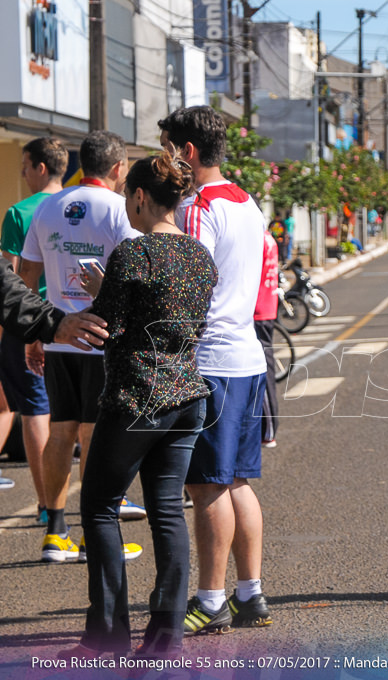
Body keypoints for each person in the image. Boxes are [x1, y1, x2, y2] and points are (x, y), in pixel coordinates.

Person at [59, 151, 218, 661]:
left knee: (100, 508)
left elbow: (109, 329)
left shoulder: (134, 253)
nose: (126, 204)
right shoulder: (199, 256)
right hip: (187, 396)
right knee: (167, 512)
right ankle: (163, 645)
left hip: (136, 397)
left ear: (141, 196)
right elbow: (169, 318)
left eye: (128, 195)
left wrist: (95, 299)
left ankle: (104, 639)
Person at [158, 105, 272, 634]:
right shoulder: (248, 202)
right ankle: (249, 594)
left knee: (207, 488)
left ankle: (210, 599)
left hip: (211, 361)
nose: (164, 160)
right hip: (247, 357)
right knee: (240, 482)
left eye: (167, 149)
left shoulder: (198, 206)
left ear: (187, 152)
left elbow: (188, 283)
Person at [20, 131, 145, 563]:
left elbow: (26, 275)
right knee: (94, 435)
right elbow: (133, 274)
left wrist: (35, 333)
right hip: (100, 338)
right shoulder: (119, 208)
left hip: (57, 337)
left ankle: (55, 531)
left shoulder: (49, 206)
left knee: (60, 432)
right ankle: (96, 536)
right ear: (116, 168)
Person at [0, 137, 68, 524]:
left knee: (35, 412)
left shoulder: (20, 213)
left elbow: (12, 277)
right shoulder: (77, 207)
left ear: (41, 167)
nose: (23, 174)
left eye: (25, 166)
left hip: (30, 324)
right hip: (75, 323)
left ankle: (48, 506)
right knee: (77, 417)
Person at [255, 225, 280, 447]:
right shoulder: (267, 237)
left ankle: (269, 429)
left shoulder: (257, 238)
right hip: (266, 306)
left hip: (258, 309)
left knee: (263, 368)